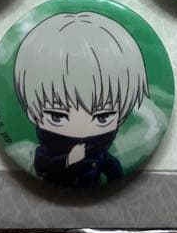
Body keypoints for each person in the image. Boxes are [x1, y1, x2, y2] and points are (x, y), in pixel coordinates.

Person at [14, 12, 148, 187]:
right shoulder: (46, 153)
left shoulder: (98, 152)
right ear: (33, 114)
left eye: (102, 117)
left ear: (121, 117)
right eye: (57, 116)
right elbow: (43, 168)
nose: (80, 130)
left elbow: (112, 167)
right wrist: (68, 161)